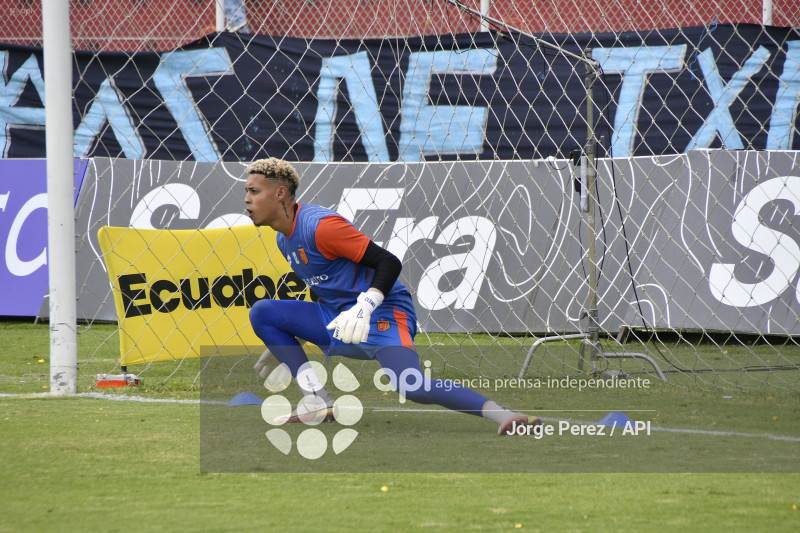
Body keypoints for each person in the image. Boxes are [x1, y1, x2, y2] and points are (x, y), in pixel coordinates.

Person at [245, 157, 540, 435]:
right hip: (339, 317)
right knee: (264, 313)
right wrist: (290, 339)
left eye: (254, 191)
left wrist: (366, 305)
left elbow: (389, 262)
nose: (247, 199)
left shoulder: (321, 227)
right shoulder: (283, 238)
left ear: (281, 193)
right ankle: (318, 400)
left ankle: (505, 415)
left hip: (383, 311)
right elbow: (325, 285)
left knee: (412, 386)